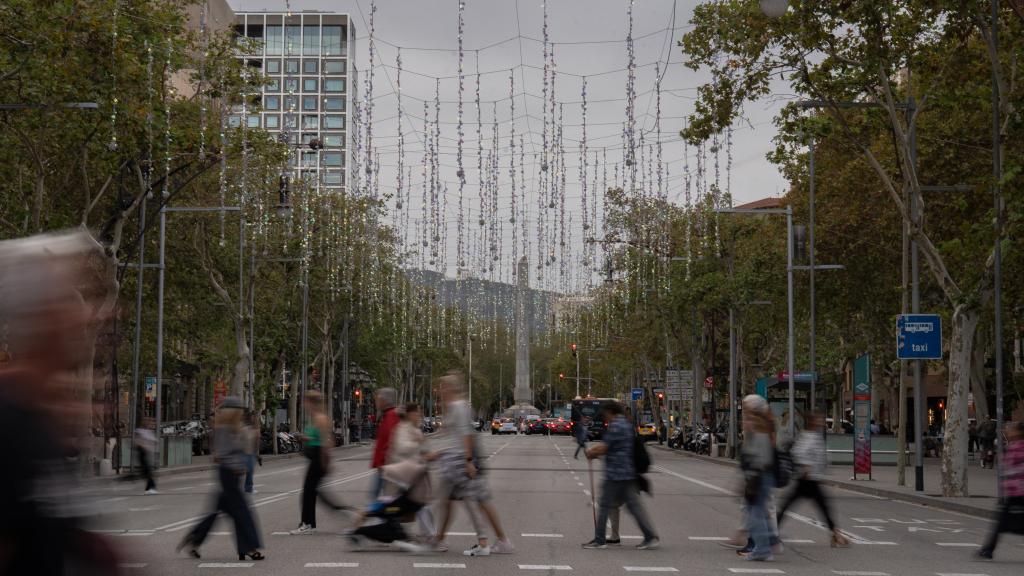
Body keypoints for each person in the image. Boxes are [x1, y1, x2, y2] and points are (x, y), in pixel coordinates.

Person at [0, 231, 126, 574]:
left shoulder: (41, 416)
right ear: (42, 319)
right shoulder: (8, 420)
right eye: (71, 301)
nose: (88, 316)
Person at [431, 370, 514, 556]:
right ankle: (439, 539)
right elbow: (449, 435)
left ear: (450, 388)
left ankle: (494, 541)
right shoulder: (452, 406)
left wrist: (468, 461)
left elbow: (466, 434)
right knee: (448, 500)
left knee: (477, 501)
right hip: (455, 461)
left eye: (443, 387)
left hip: (465, 460)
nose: (439, 391)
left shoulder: (459, 406)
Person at [179, 396, 264, 561]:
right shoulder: (224, 429)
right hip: (229, 473)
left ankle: (195, 538)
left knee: (220, 510)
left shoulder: (233, 428)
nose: (242, 413)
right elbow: (221, 455)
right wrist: (237, 465)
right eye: (239, 410)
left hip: (232, 473)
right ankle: (248, 547)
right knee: (242, 511)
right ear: (233, 411)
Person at [582, 401, 659, 550]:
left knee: (604, 505)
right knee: (634, 507)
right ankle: (650, 536)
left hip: (615, 474)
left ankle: (599, 540)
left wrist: (591, 452)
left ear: (610, 412)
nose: (604, 417)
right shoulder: (626, 424)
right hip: (627, 472)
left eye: (605, 414)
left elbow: (606, 446)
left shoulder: (616, 425)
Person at [776, 412, 849, 547]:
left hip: (811, 480)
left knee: (821, 507)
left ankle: (836, 535)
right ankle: (836, 536)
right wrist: (805, 467)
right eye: (819, 420)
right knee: (820, 507)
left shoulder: (814, 436)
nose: (821, 423)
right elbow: (798, 452)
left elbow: (818, 456)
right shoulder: (808, 436)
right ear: (812, 422)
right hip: (807, 480)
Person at [291, 391, 347, 535]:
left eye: (305, 401)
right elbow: (315, 438)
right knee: (315, 492)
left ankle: (308, 523)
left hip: (318, 457)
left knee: (308, 492)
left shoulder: (320, 418)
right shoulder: (314, 418)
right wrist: (303, 438)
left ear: (311, 402)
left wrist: (326, 462)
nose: (303, 405)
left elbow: (326, 442)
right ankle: (313, 521)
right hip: (315, 457)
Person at [976, 420, 1024, 560]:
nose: (1008, 431)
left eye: (1012, 429)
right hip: (1015, 491)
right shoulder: (1013, 446)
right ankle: (987, 550)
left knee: (1001, 522)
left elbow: (1010, 471)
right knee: (1002, 522)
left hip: (1017, 492)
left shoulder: (1016, 448)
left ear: (1019, 433)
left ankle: (987, 550)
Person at [737, 394, 776, 561]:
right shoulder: (759, 426)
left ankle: (763, 548)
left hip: (759, 477)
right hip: (759, 476)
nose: (744, 411)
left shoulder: (759, 427)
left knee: (754, 515)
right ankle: (768, 542)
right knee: (757, 513)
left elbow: (762, 456)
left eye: (746, 408)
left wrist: (752, 473)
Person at [371, 388, 400, 498]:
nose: (376, 402)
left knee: (378, 496)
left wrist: (383, 462)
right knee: (382, 496)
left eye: (378, 399)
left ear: (384, 400)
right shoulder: (387, 415)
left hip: (385, 465)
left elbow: (390, 440)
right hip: (384, 465)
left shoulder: (391, 416)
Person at [136, 426, 158, 494]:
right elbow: (138, 442)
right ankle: (149, 488)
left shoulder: (148, 432)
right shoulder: (140, 431)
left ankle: (151, 487)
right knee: (146, 471)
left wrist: (147, 447)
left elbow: (155, 441)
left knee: (147, 471)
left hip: (146, 453)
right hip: (142, 453)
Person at [243, 411, 260, 495]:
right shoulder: (244, 428)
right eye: (252, 417)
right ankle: (247, 487)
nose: (253, 418)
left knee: (250, 470)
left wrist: (257, 454)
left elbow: (256, 442)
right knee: (244, 470)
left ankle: (248, 487)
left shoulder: (256, 429)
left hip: (251, 453)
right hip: (243, 452)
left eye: (254, 417)